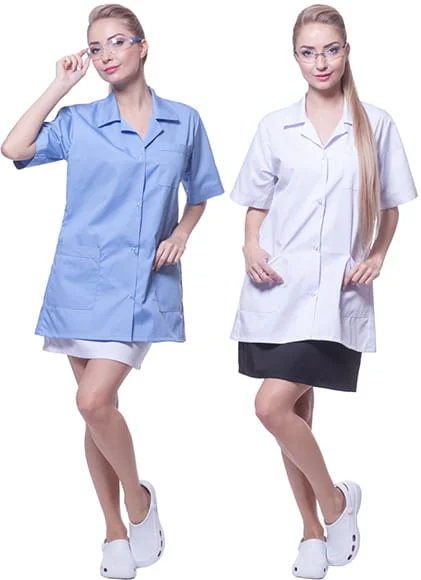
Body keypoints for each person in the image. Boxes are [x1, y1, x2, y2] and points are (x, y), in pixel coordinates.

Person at [1, 3, 223, 579]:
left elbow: (200, 193)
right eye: (95, 47)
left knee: (93, 402)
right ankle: (115, 530)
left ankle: (139, 501)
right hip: (80, 282)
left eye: (118, 42)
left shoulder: (185, 121)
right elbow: (14, 148)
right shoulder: (79, 121)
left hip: (144, 283)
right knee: (96, 412)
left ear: (143, 47)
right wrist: (60, 84)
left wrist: (182, 232)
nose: (105, 56)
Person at [230, 4, 417, 579]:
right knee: (295, 413)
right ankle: (312, 531)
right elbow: (257, 203)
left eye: (330, 49)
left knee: (271, 407)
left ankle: (335, 504)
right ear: (295, 57)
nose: (320, 62)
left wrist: (378, 256)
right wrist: (250, 246)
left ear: (347, 52)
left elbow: (391, 205)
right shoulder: (275, 126)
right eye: (308, 52)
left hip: (336, 294)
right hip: (276, 288)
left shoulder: (376, 124)